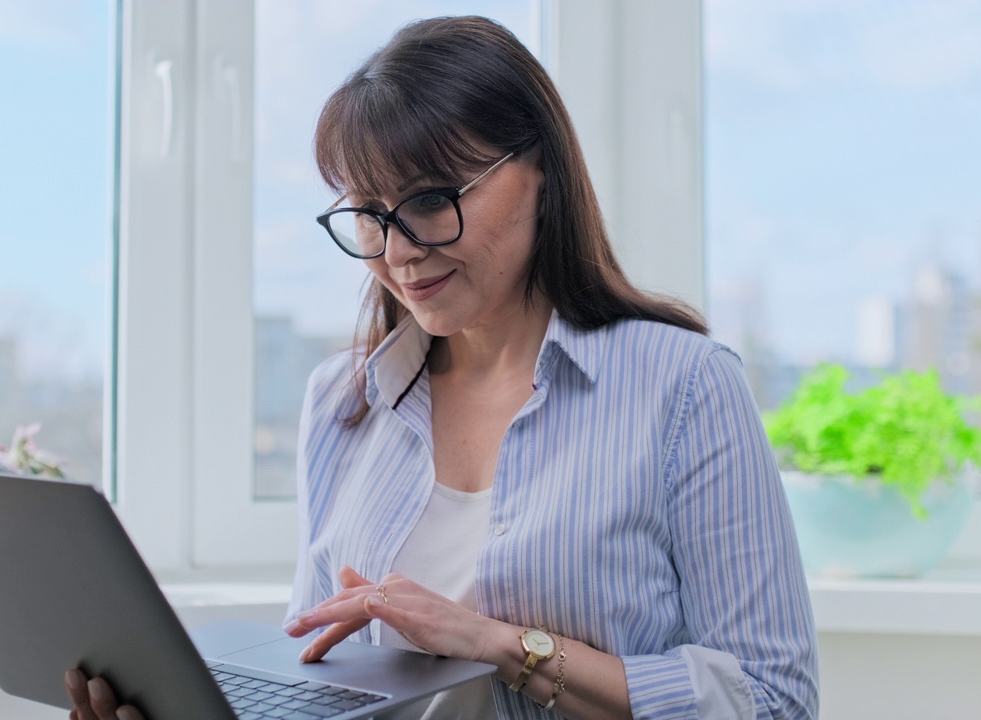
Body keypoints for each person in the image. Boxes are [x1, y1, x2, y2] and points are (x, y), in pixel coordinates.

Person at [68, 14, 818, 720]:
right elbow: (317, 675)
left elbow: (774, 698)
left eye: (430, 200)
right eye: (369, 213)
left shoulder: (684, 386)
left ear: (542, 172)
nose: (397, 253)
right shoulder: (343, 401)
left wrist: (498, 646)